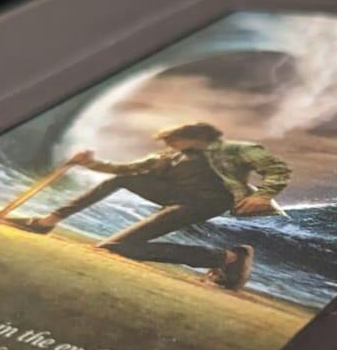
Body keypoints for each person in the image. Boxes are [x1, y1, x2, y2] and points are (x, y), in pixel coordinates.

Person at [17, 122, 291, 291]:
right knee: (121, 182)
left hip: (204, 203)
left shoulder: (236, 150)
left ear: (195, 137)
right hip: (175, 196)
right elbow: (127, 169)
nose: (167, 144)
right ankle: (48, 221)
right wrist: (90, 164)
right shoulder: (172, 154)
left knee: (113, 248)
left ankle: (227, 258)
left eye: (172, 139)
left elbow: (277, 168)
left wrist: (264, 195)